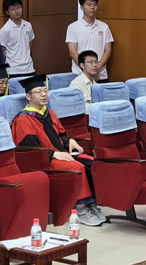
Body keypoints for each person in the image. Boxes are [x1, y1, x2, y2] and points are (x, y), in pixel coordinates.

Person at [10, 75, 102, 226]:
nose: (44, 94)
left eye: (45, 90)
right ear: (28, 97)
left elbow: (61, 135)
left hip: (59, 154)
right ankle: (81, 208)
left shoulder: (50, 113)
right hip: (44, 161)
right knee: (77, 167)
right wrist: (53, 154)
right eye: (39, 92)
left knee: (92, 162)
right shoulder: (23, 119)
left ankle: (92, 204)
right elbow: (30, 149)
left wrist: (69, 141)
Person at [66, 0, 113, 80]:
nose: (92, 7)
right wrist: (88, 71)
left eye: (95, 5)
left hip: (100, 75)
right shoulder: (73, 27)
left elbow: (108, 51)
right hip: (80, 75)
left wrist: (96, 69)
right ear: (82, 7)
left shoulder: (104, 27)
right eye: (89, 5)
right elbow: (73, 52)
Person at [0, 0, 35, 76]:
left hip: (29, 68)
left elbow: (30, 44)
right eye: (12, 9)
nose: (17, 11)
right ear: (7, 12)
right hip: (13, 70)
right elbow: (2, 51)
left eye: (18, 8)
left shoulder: (28, 25)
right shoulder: (5, 29)